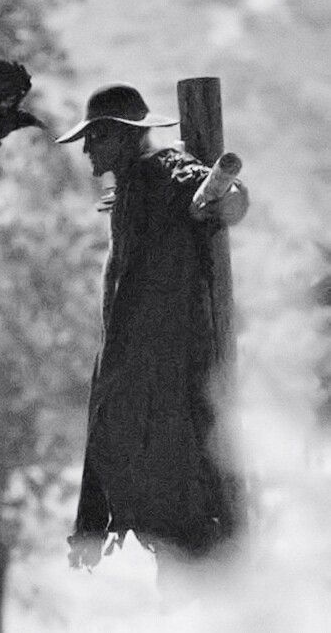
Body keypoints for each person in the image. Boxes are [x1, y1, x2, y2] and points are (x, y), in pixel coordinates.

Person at [56, 83, 249, 597]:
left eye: (93, 137)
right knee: (174, 551)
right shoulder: (132, 188)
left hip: (164, 396)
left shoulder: (163, 173)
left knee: (187, 543)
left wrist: (221, 193)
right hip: (137, 395)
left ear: (118, 135)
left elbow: (215, 197)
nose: (87, 150)